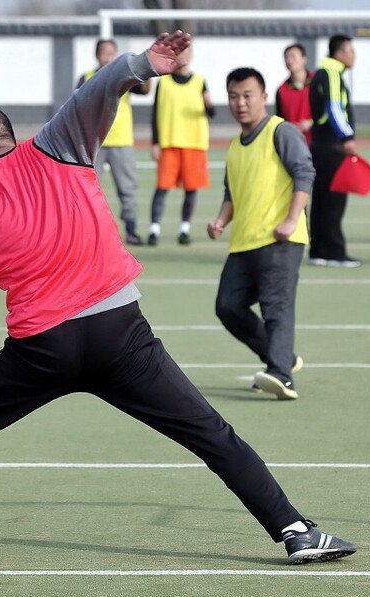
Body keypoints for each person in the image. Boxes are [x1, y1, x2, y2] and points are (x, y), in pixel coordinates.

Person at [0, 31, 356, 566]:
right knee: (210, 433)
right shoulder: (58, 144)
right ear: (11, 136)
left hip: (40, 350)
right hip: (119, 335)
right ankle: (294, 531)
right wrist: (141, 66)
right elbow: (99, 89)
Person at [209, 67, 314, 401]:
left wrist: (291, 218)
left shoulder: (281, 132)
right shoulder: (235, 146)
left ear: (264, 97)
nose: (240, 103)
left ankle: (282, 375)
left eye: (247, 95)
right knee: (228, 306)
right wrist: (221, 220)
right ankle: (281, 357)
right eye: (234, 96)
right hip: (244, 242)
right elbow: (232, 193)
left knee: (276, 308)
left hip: (280, 239)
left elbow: (304, 174)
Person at [78, 38, 151, 245]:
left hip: (121, 141)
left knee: (127, 188)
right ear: (97, 55)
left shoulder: (124, 77)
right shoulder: (86, 78)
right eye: (104, 52)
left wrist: (150, 68)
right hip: (94, 143)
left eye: (112, 52)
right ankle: (87, 231)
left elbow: (144, 91)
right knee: (86, 188)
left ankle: (131, 229)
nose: (108, 57)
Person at [148, 49, 213, 245]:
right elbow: (155, 113)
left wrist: (209, 105)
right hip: (169, 142)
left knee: (191, 188)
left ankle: (184, 229)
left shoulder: (200, 81)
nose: (183, 58)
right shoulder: (164, 82)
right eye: (179, 54)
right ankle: (154, 229)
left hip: (194, 143)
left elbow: (212, 112)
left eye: (186, 54)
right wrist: (155, 142)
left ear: (191, 56)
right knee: (162, 187)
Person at [307, 34, 361, 267]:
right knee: (334, 200)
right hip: (331, 145)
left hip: (320, 144)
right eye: (350, 50)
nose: (353, 55)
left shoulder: (321, 73)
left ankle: (318, 250)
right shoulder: (331, 74)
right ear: (339, 53)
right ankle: (335, 252)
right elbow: (335, 108)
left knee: (321, 198)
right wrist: (347, 136)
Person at [274, 43, 313, 145]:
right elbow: (279, 119)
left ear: (304, 59)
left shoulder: (317, 82)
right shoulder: (281, 90)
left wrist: (311, 123)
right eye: (286, 57)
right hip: (294, 143)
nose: (289, 60)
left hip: (317, 141)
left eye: (293, 56)